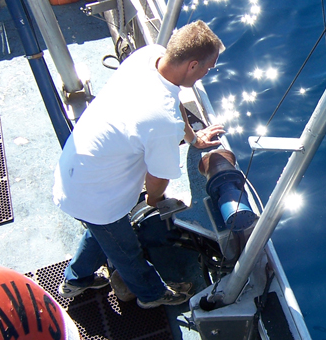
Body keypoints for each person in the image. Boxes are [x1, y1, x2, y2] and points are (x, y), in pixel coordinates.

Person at [53, 20, 225, 308]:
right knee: (125, 249)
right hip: (94, 195)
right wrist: (155, 201)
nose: (206, 74)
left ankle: (75, 279)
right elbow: (156, 180)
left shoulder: (149, 56)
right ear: (192, 65)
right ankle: (151, 295)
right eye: (208, 68)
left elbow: (174, 101)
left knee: (103, 233)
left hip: (75, 169)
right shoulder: (161, 122)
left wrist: (193, 138)